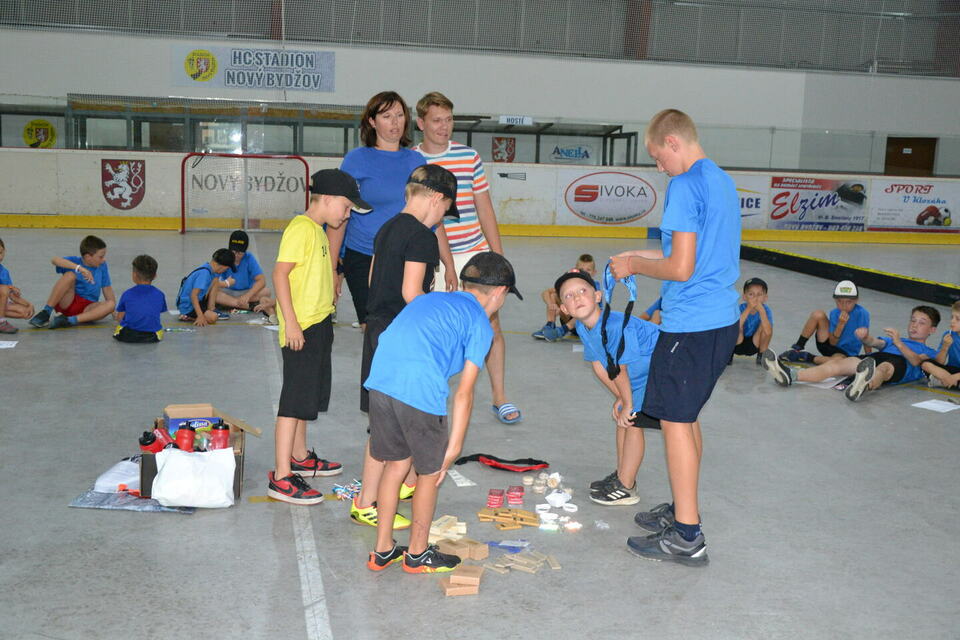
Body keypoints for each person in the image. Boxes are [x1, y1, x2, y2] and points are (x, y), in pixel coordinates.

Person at [608, 108, 740, 566]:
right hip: (720, 319)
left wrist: (634, 265)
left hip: (692, 324)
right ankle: (684, 509)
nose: (659, 167)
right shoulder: (720, 180)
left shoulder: (684, 185)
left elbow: (680, 268)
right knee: (687, 418)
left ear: (673, 142)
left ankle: (687, 535)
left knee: (675, 422)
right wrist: (633, 255)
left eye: (657, 157)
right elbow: (689, 254)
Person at [363, 252, 522, 573]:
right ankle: (417, 553)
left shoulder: (430, 298)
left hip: (380, 381)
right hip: (419, 389)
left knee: (395, 466)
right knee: (429, 475)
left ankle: (382, 550)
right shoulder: (480, 324)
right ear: (500, 292)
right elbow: (464, 392)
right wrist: (454, 448)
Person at [351, 164, 458, 529]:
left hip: (378, 329)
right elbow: (412, 293)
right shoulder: (422, 237)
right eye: (445, 210)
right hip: (401, 337)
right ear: (436, 198)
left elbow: (372, 278)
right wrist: (442, 320)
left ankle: (391, 488)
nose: (442, 218)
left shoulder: (387, 228)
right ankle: (368, 501)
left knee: (385, 422)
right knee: (398, 421)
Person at [415, 91, 521, 424]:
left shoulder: (468, 156)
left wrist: (498, 257)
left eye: (448, 120)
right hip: (431, 257)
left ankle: (500, 396)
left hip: (474, 253)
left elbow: (484, 207)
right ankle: (431, 394)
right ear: (421, 123)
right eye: (436, 120)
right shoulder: (411, 159)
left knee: (491, 324)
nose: (444, 127)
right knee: (434, 326)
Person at [267, 169, 371, 505]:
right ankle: (282, 476)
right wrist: (292, 323)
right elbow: (280, 275)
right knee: (293, 400)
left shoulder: (318, 230)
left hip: (319, 323)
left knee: (306, 397)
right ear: (326, 199)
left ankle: (298, 456)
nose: (348, 213)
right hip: (303, 327)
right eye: (346, 206)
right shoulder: (301, 228)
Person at [328, 91, 450, 328]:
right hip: (363, 256)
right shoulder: (356, 160)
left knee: (407, 327)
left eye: (399, 115)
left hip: (410, 257)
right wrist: (332, 268)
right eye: (386, 116)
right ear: (372, 122)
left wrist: (449, 264)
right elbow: (338, 217)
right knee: (374, 328)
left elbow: (432, 217)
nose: (395, 122)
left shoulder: (416, 161)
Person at [552, 269, 660, 506]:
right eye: (569, 296)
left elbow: (620, 368)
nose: (577, 297)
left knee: (632, 420)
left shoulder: (613, 325)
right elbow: (599, 365)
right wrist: (621, 397)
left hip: (661, 370)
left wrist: (627, 402)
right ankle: (622, 474)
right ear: (564, 309)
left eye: (583, 291)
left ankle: (627, 487)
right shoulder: (584, 327)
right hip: (637, 375)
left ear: (598, 296)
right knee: (623, 420)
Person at [763, 306, 940, 401]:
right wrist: (864, 337)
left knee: (883, 369)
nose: (915, 325)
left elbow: (916, 361)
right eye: (913, 320)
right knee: (836, 364)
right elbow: (875, 343)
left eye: (921, 323)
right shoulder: (891, 340)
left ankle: (863, 385)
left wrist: (899, 343)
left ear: (932, 330)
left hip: (899, 364)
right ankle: (791, 375)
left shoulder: (931, 352)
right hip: (874, 359)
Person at [29, 235, 116, 330]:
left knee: (111, 304)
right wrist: (80, 268)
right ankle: (46, 312)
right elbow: (54, 260)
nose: (104, 259)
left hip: (88, 307)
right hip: (68, 302)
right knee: (70, 275)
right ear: (88, 257)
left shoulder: (102, 265)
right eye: (101, 257)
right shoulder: (74, 261)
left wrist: (113, 311)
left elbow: (107, 288)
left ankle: (68, 320)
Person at [779, 280, 870, 364]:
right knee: (818, 314)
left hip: (846, 354)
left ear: (856, 300)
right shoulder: (834, 313)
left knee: (839, 361)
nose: (844, 306)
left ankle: (806, 357)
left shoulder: (863, 314)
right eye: (839, 301)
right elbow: (832, 343)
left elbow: (866, 338)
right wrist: (840, 324)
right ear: (835, 300)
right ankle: (797, 348)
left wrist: (869, 358)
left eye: (849, 302)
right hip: (829, 344)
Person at [532, 254, 597, 342]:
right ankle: (550, 325)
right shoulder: (571, 284)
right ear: (576, 269)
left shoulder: (593, 288)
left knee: (585, 308)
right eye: (581, 270)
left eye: (588, 270)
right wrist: (551, 304)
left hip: (585, 327)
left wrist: (565, 329)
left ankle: (561, 331)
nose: (584, 272)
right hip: (569, 320)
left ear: (594, 272)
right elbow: (545, 293)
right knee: (553, 296)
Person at [113, 255, 167, 344]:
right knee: (159, 329)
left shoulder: (127, 294)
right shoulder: (160, 294)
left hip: (129, 335)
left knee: (120, 327)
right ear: (155, 276)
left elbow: (120, 317)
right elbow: (157, 311)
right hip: (152, 336)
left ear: (134, 275)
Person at [175, 249, 233, 327]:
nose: (226, 271)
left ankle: (211, 309)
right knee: (213, 317)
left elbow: (215, 284)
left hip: (199, 300)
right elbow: (193, 295)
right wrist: (200, 316)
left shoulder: (210, 268)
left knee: (215, 280)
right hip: (188, 306)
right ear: (222, 266)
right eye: (227, 268)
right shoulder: (204, 274)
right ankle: (187, 315)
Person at [215, 230, 270, 311]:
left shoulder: (249, 258)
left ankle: (230, 303)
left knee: (266, 291)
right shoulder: (225, 256)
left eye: (240, 253)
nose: (236, 255)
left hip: (246, 291)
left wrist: (247, 296)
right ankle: (244, 305)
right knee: (213, 292)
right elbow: (213, 280)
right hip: (228, 291)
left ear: (245, 251)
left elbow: (262, 281)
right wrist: (225, 283)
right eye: (234, 252)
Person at [731, 277, 773, 365]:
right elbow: (735, 327)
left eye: (759, 294)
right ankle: (728, 354)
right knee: (737, 326)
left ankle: (762, 355)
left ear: (765, 298)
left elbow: (768, 332)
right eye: (751, 294)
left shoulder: (766, 310)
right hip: (737, 343)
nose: (755, 298)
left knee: (764, 326)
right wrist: (748, 309)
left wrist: (762, 312)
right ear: (744, 297)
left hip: (755, 343)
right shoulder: (740, 308)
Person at [921, 301, 960, 389]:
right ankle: (951, 383)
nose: (952, 321)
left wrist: (954, 377)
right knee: (925, 364)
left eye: (957, 319)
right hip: (951, 370)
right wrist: (945, 347)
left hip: (956, 375)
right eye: (952, 317)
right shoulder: (948, 335)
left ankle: (944, 381)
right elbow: (939, 362)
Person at [0, 237, 34, 333]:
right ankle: (1, 322)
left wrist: (29, 304)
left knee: (26, 312)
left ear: (4, 251)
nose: (0, 257)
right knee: (4, 289)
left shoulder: (4, 272)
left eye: (1, 253)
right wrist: (7, 288)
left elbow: (10, 295)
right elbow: (4, 290)